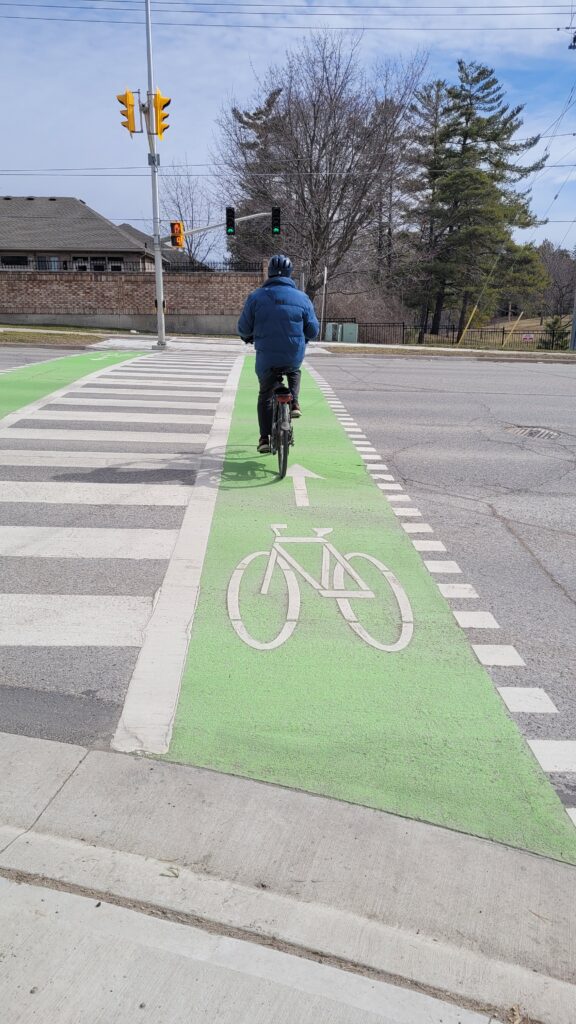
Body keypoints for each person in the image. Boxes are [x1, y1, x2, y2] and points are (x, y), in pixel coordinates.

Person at [238, 254, 319, 453]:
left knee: (265, 393)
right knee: (294, 370)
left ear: (270, 273)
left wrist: (248, 336)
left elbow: (243, 328)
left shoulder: (256, 297)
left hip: (267, 357)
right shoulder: (302, 298)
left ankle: (264, 438)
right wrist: (303, 338)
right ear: (290, 274)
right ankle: (295, 403)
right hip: (293, 354)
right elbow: (313, 330)